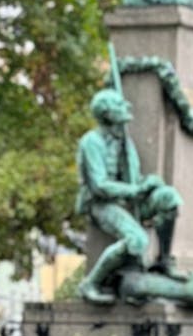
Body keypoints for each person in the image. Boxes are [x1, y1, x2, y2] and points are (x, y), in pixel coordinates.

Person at [75, 89, 183, 304]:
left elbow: (133, 178)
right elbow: (100, 186)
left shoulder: (124, 140)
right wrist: (135, 191)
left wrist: (148, 184)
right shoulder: (91, 142)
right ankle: (91, 283)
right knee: (137, 240)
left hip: (130, 200)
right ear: (107, 114)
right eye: (119, 105)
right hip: (103, 204)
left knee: (169, 198)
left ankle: (162, 261)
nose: (127, 107)